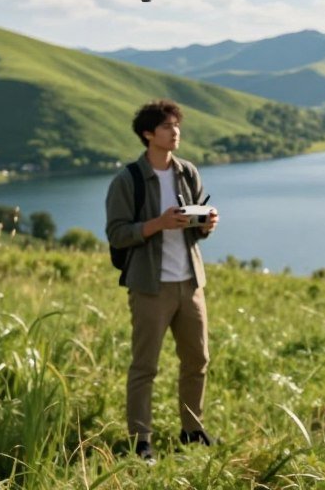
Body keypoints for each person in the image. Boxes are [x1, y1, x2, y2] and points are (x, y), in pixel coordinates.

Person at [105, 99, 219, 463]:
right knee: (145, 367)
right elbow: (117, 233)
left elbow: (195, 233)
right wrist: (158, 223)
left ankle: (192, 430)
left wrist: (206, 225)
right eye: (168, 127)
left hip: (190, 282)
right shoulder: (128, 180)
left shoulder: (188, 172)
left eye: (177, 126)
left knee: (197, 360)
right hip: (150, 287)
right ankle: (141, 441)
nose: (176, 133)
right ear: (148, 134)